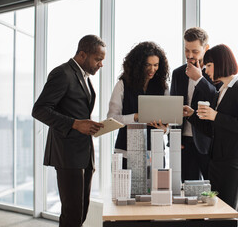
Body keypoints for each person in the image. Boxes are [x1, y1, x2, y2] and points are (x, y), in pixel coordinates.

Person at [32, 35, 106, 227]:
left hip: (84, 154)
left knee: (80, 212)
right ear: (82, 55)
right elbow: (39, 110)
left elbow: (76, 110)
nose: (101, 64)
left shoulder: (83, 77)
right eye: (98, 59)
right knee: (72, 214)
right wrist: (75, 123)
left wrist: (88, 125)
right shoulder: (62, 74)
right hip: (67, 154)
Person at [183, 44, 238, 210]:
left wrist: (215, 116)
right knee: (216, 210)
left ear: (221, 63)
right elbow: (213, 130)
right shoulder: (221, 91)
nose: (206, 70)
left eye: (208, 66)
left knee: (227, 210)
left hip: (233, 160)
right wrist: (191, 116)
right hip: (217, 160)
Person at [107, 41, 169, 167]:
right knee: (126, 186)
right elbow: (111, 119)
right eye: (148, 65)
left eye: (156, 65)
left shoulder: (163, 87)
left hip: (155, 150)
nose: (152, 69)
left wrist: (164, 130)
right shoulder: (122, 85)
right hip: (126, 150)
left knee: (156, 186)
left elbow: (168, 123)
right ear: (138, 65)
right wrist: (135, 117)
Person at [170, 27, 219, 181]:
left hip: (208, 144)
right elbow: (173, 108)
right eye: (187, 50)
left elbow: (216, 99)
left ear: (206, 48)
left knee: (214, 191)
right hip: (184, 143)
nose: (190, 55)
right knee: (188, 192)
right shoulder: (178, 74)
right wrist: (173, 140)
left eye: (195, 51)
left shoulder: (215, 74)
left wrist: (199, 79)